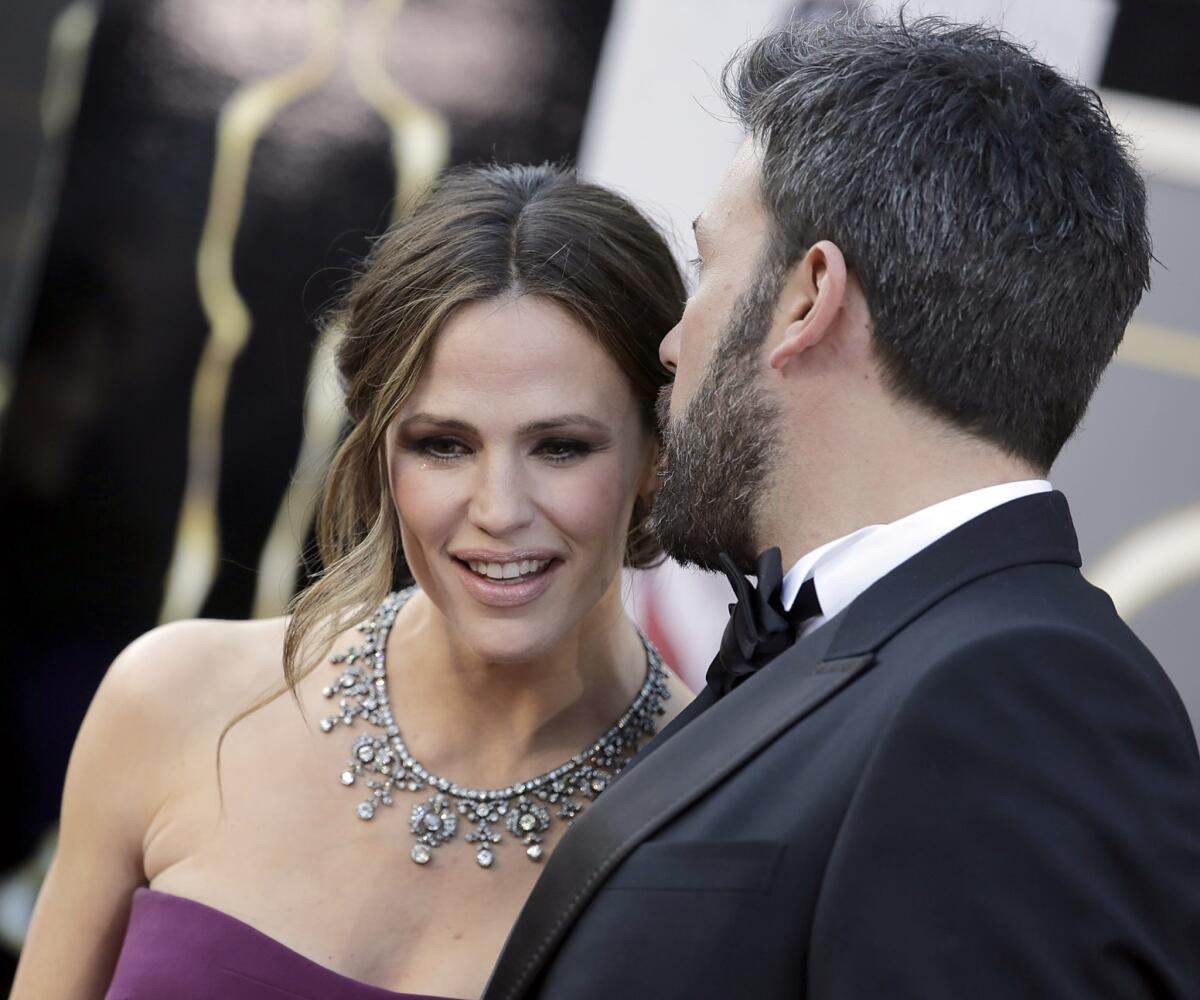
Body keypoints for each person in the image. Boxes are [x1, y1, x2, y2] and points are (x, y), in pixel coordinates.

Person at [484, 14, 1200, 1000]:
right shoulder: (909, 660)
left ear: (807, 297)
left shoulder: (1017, 698)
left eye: (708, 270)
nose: (671, 344)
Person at [11, 163, 693, 1000]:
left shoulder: (709, 819)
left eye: (560, 447)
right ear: (379, 451)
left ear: (655, 456)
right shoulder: (174, 701)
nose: (499, 509)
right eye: (443, 443)